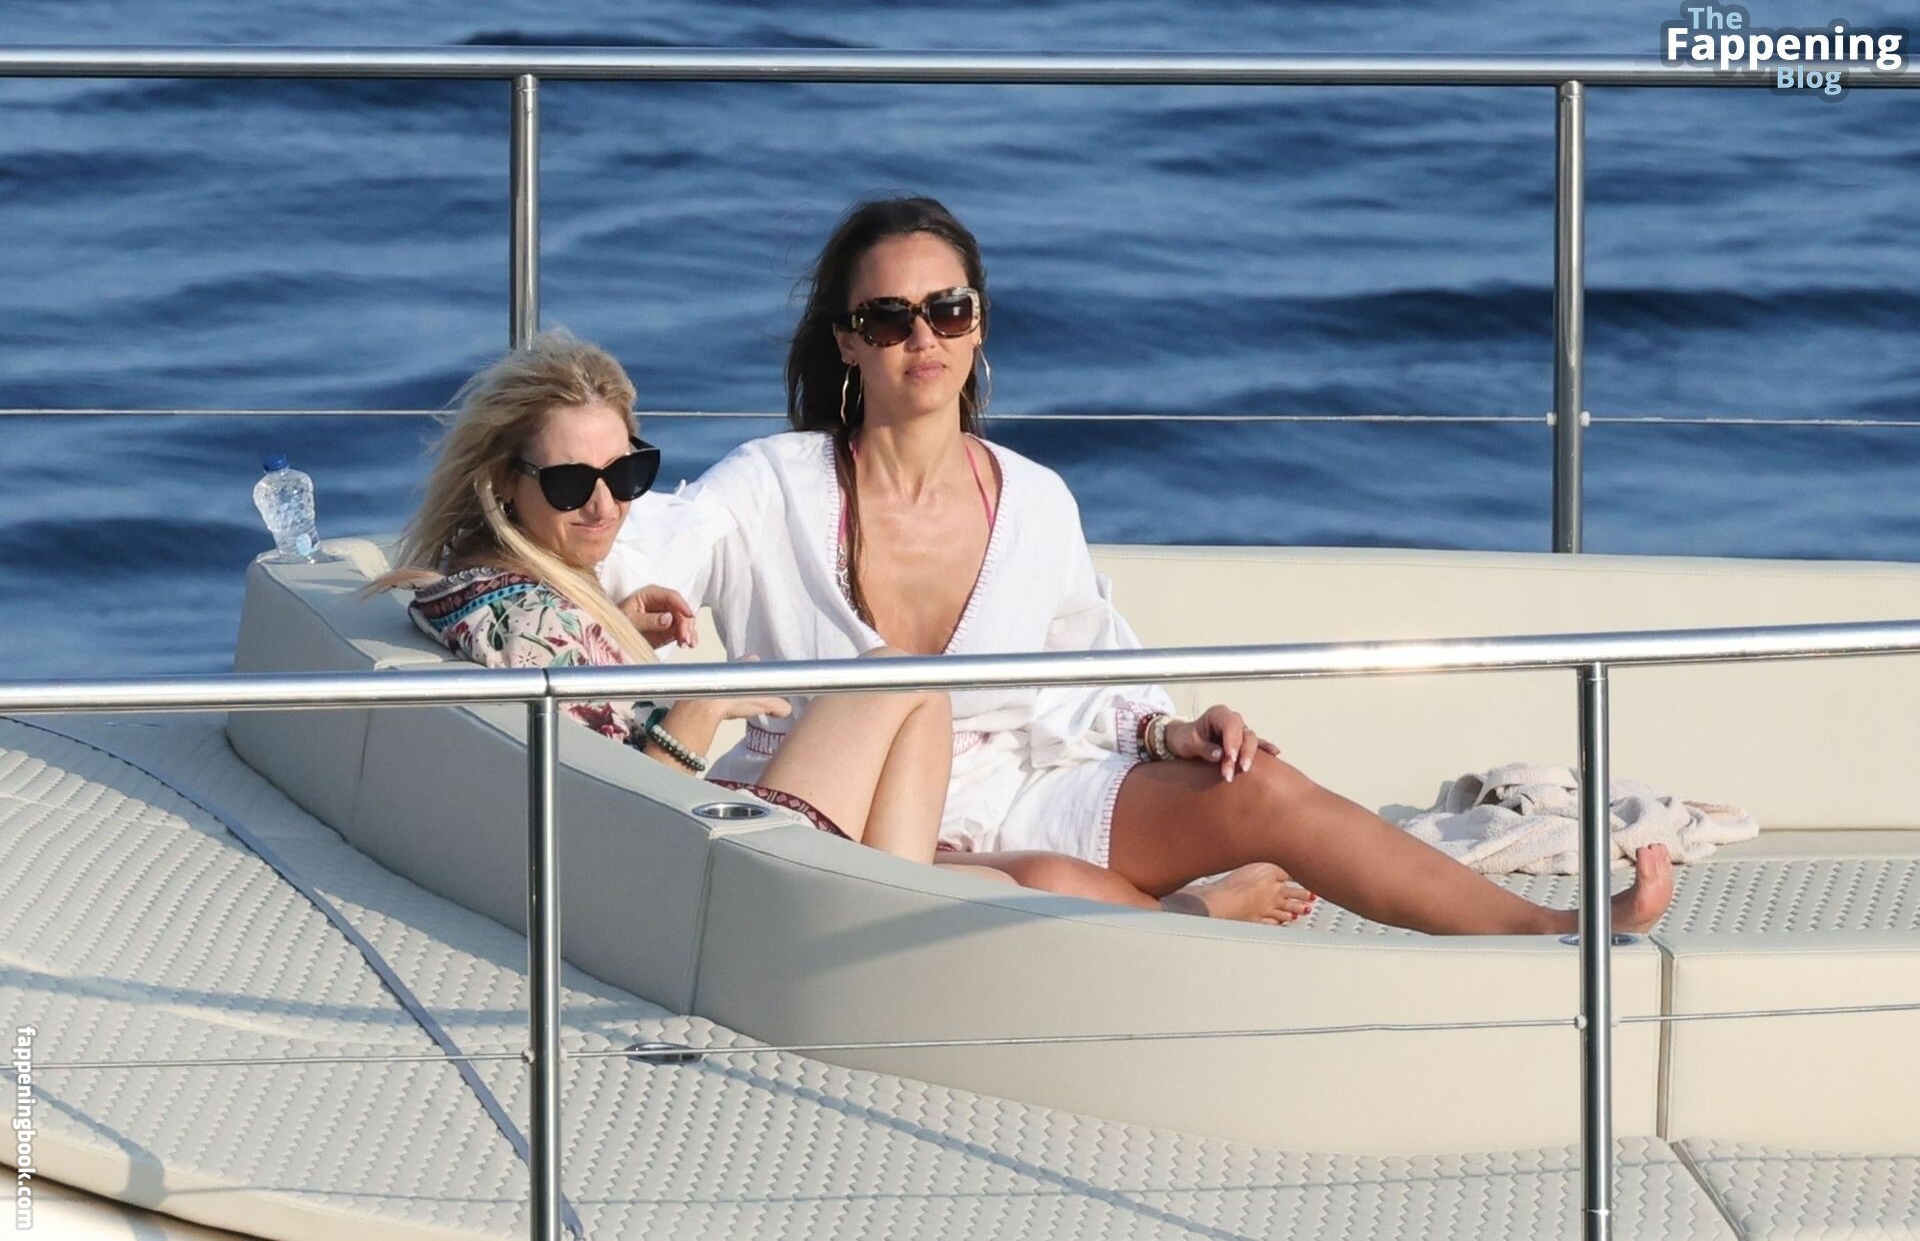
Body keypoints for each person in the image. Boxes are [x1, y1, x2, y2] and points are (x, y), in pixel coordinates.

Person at [603, 195, 1675, 936]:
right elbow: (635, 546)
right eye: (887, 317)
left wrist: (1172, 733)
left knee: (1260, 787)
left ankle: (1547, 930)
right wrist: (637, 593)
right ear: (846, 340)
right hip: (844, 808)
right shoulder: (773, 483)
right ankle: (1191, 912)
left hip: (1020, 788)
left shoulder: (1033, 499)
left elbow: (1087, 677)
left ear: (978, 326)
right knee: (1053, 886)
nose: (921, 336)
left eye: (947, 309)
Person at [369, 330, 952, 861]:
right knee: (904, 679)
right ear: (502, 478)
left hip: (686, 852)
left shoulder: (493, 591)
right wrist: (703, 708)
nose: (604, 506)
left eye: (625, 474)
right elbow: (623, 833)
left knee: (1006, 872)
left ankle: (904, 893)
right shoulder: (532, 624)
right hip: (694, 872)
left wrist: (609, 629)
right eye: (569, 483)